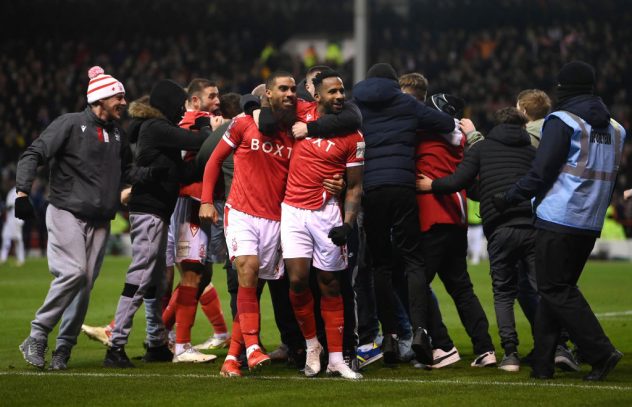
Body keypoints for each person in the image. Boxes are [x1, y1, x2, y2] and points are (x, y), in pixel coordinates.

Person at [495, 61, 626, 381]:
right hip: (590, 220)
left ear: (564, 88)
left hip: (558, 217)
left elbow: (542, 172)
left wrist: (511, 197)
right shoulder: (617, 128)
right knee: (556, 291)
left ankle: (600, 351)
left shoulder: (562, 120)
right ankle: (543, 366)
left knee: (554, 288)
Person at [16, 66, 133, 370]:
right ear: (100, 99)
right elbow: (33, 154)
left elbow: (129, 171)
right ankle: (38, 333)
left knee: (84, 286)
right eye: (118, 96)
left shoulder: (118, 133)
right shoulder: (69, 124)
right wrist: (22, 193)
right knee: (75, 273)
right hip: (66, 210)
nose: (123, 101)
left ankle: (64, 348)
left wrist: (142, 181)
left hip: (101, 219)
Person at [418, 107, 537, 371]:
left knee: (415, 283)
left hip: (476, 224)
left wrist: (431, 185)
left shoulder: (481, 148)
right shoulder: (530, 151)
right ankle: (498, 349)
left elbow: (461, 180)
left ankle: (455, 347)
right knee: (466, 288)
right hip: (522, 225)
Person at [352, 63, 455, 365]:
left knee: (381, 265)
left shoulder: (356, 107)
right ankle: (421, 331)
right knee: (413, 262)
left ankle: (390, 336)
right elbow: (446, 124)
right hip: (402, 187)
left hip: (371, 192)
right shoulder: (406, 102)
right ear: (393, 82)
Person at [104, 79, 211, 368]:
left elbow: (180, 173)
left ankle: (155, 342)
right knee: (140, 276)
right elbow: (198, 141)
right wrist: (204, 123)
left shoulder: (156, 131)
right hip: (149, 211)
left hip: (156, 211)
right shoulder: (157, 128)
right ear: (166, 105)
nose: (181, 111)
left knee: (153, 280)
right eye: (178, 106)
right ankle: (116, 346)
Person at [199, 71, 298, 377]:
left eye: (293, 89)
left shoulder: (294, 133)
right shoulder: (242, 124)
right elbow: (213, 159)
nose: (291, 93)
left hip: (275, 219)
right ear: (267, 94)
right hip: (240, 210)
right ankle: (253, 347)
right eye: (283, 88)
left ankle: (232, 357)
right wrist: (205, 200)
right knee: (247, 268)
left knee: (250, 285)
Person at [283, 70, 364, 380]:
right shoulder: (300, 111)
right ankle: (311, 346)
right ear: (316, 96)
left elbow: (355, 186)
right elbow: (270, 100)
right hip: (292, 210)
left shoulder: (354, 136)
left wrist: (347, 224)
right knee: (297, 281)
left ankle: (336, 358)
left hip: (327, 212)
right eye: (331, 92)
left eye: (341, 91)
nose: (339, 96)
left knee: (330, 283)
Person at [1, 185, 25, 266]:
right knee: (6, 237)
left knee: (17, 239)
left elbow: (12, 206)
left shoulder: (18, 192)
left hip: (16, 219)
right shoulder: (12, 191)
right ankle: (3, 258)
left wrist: (4, 208)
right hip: (10, 219)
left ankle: (20, 259)